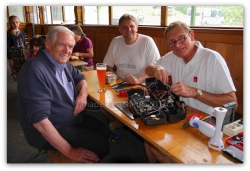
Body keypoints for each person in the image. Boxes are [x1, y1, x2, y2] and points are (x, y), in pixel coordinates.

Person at [144, 20, 238, 163]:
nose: (177, 44)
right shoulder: (173, 56)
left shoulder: (212, 58)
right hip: (183, 117)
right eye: (172, 42)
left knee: (159, 151)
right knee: (148, 137)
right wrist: (157, 69)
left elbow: (233, 102)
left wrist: (195, 92)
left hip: (208, 124)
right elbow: (148, 68)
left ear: (192, 35)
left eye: (181, 38)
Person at [17, 26, 111, 163]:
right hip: (50, 127)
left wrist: (82, 94)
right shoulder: (34, 70)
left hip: (69, 117)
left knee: (105, 130)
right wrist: (70, 151)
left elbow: (81, 79)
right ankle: (61, 150)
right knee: (102, 147)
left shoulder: (63, 63)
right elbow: (40, 122)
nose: (67, 51)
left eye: (71, 46)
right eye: (62, 45)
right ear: (48, 43)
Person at [102, 13, 161, 142]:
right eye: (124, 27)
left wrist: (138, 79)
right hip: (120, 83)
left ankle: (116, 126)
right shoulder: (115, 41)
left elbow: (156, 70)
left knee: (128, 106)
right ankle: (121, 123)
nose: (128, 30)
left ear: (137, 27)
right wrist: (109, 73)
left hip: (143, 85)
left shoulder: (147, 42)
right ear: (119, 29)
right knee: (101, 104)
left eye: (132, 26)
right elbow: (108, 65)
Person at [7, 15, 26, 82]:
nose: (15, 24)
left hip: (22, 54)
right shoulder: (8, 34)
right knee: (17, 71)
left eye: (16, 22)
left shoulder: (22, 32)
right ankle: (19, 86)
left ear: (19, 22)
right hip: (14, 56)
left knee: (24, 69)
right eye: (13, 22)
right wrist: (10, 59)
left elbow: (24, 43)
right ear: (10, 23)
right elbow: (7, 46)